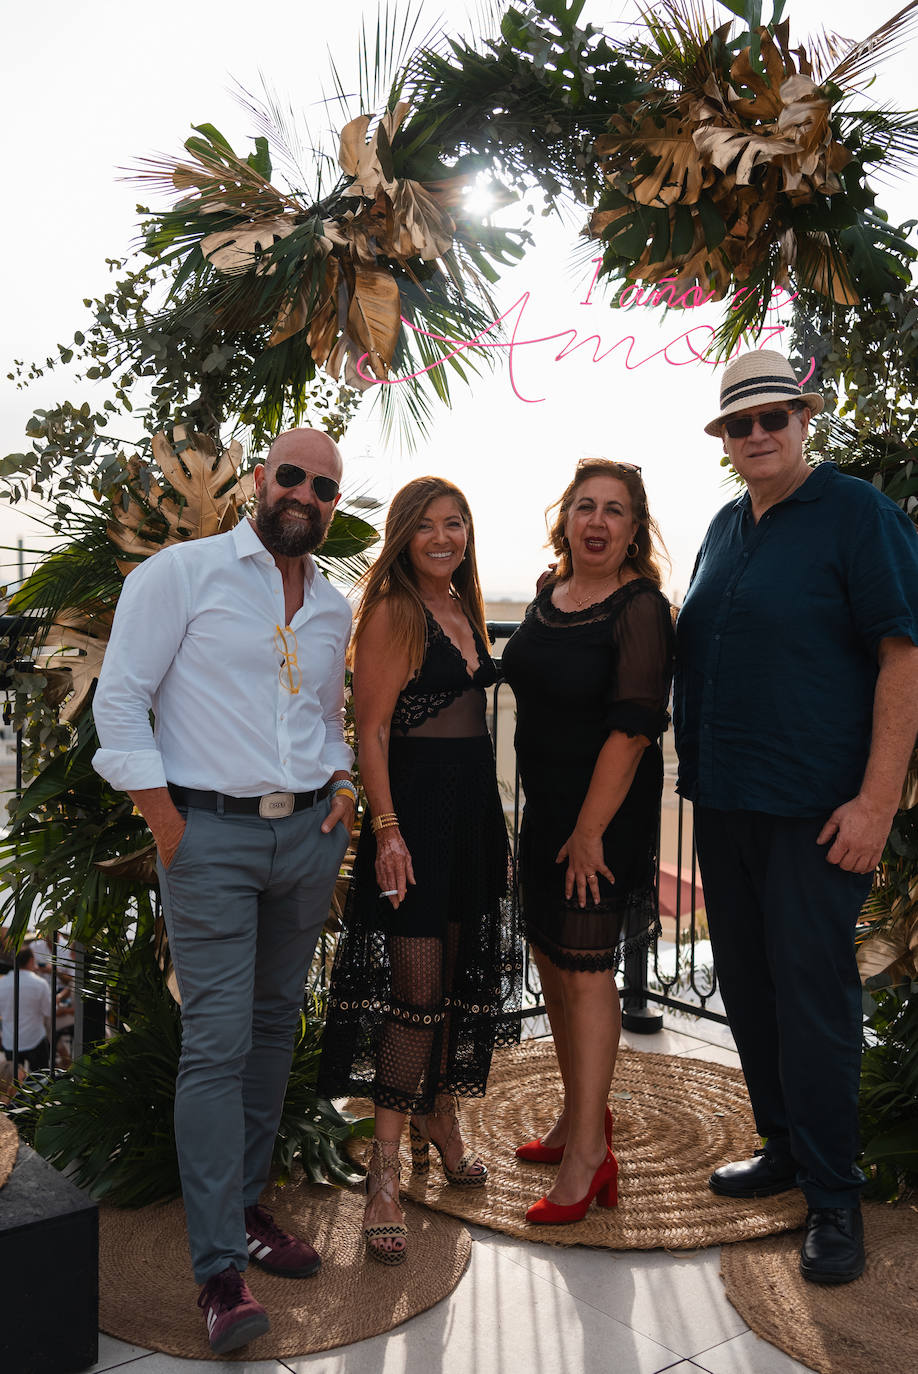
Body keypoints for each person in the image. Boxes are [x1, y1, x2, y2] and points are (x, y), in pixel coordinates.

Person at [92, 427, 356, 1354]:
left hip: (307, 836)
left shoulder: (333, 603)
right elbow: (118, 701)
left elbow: (328, 716)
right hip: (209, 837)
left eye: (325, 488)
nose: (306, 496)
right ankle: (217, 1272)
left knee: (276, 1026)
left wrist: (347, 786)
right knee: (217, 1043)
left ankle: (245, 1206)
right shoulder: (182, 576)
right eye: (292, 476)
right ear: (258, 480)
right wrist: (170, 826)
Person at [674, 349, 918, 1284]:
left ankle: (833, 1195)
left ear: (803, 419)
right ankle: (783, 1144)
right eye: (741, 423)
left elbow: (904, 655)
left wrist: (875, 801)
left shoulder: (857, 513)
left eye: (774, 416)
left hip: (819, 814)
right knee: (746, 982)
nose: (758, 434)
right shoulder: (723, 528)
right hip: (725, 803)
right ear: (725, 441)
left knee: (815, 1001)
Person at [317, 476, 521, 1264]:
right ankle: (385, 1169)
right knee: (416, 992)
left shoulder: (462, 607)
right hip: (416, 822)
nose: (445, 537)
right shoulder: (397, 612)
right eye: (429, 526)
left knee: (462, 974)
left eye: (457, 523)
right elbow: (368, 733)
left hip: (472, 812)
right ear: (403, 537)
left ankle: (440, 1118)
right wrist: (388, 832)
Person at [501, 459, 674, 1224]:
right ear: (564, 517)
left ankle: (590, 1160)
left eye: (614, 511)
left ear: (635, 529)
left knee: (584, 972)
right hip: (547, 813)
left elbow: (635, 728)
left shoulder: (640, 607)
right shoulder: (549, 595)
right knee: (550, 961)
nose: (597, 522)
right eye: (584, 507)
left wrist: (589, 831)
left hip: (599, 824)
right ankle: (579, 1119)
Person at [0, 944, 52, 1072]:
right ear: (31, 960)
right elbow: (49, 1011)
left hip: (10, 1040)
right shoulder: (40, 983)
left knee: (14, 1085)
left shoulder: (2, 983)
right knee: (40, 1082)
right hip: (35, 1038)